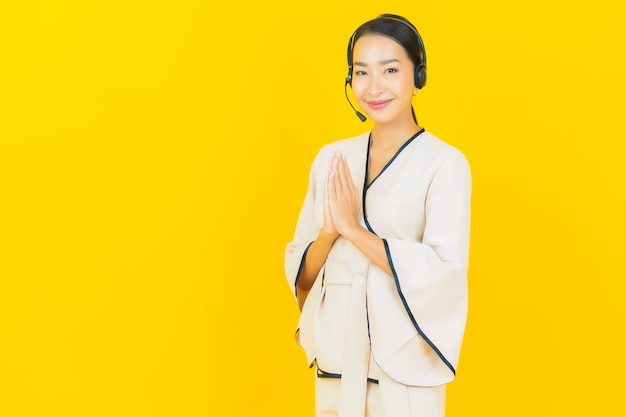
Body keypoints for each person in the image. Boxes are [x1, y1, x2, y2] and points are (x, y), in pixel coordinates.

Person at [285, 14, 471, 417]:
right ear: (349, 81)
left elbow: (445, 273)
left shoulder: (445, 164)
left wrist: (353, 229)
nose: (374, 87)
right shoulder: (331, 158)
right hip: (337, 354)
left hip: (402, 362)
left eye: (390, 69)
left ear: (417, 76)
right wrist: (330, 233)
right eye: (361, 72)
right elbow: (302, 279)